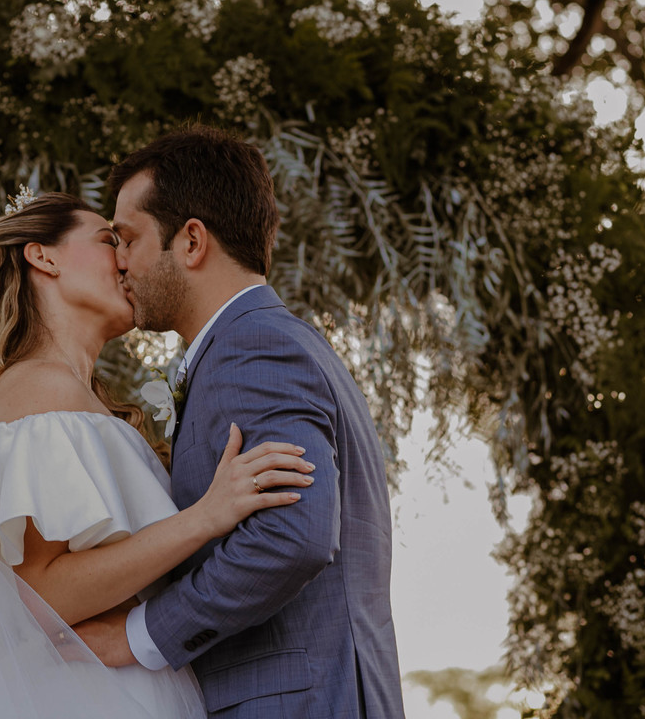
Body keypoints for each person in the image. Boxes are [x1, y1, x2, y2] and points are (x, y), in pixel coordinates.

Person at [0, 191, 315, 718]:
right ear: (42, 256)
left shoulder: (77, 398)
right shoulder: (33, 392)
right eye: (106, 240)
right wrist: (205, 517)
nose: (124, 258)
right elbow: (42, 593)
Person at [73, 125, 406, 718]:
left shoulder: (253, 347)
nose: (118, 262)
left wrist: (139, 636)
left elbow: (291, 536)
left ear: (192, 241)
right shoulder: (263, 343)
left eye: (127, 239)